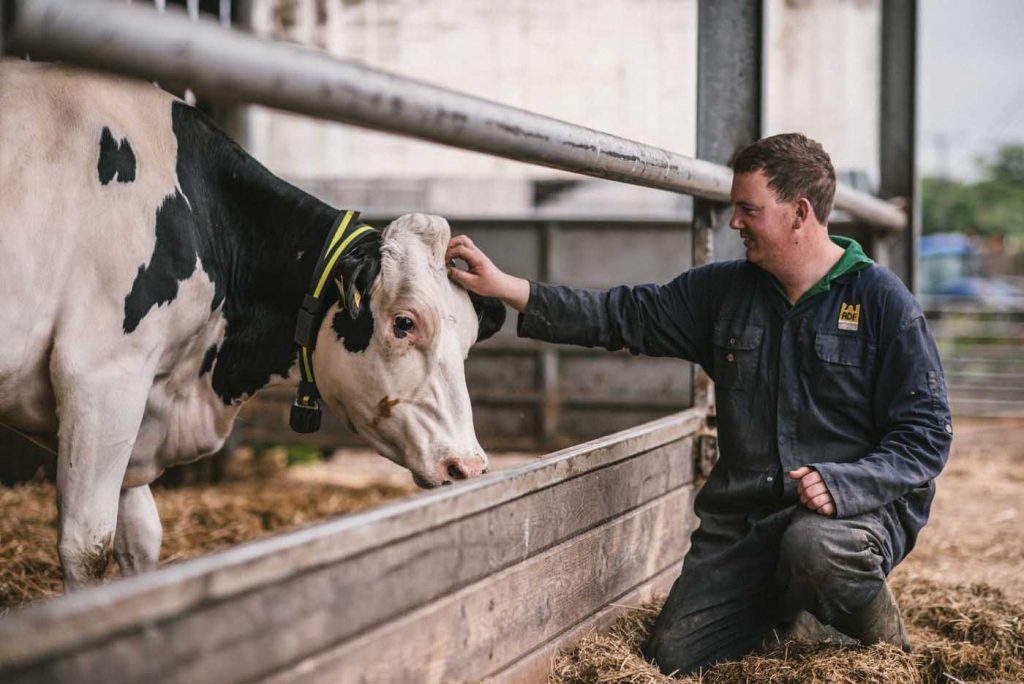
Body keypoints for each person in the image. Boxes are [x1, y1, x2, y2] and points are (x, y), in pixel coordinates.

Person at [446, 133, 953, 675]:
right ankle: (797, 612)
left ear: (800, 213)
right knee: (673, 659)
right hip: (745, 523)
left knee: (817, 547)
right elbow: (624, 315)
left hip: (852, 516)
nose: (734, 222)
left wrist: (844, 484)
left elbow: (926, 435)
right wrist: (510, 288)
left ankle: (891, 655)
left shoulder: (881, 302)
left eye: (747, 209)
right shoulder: (723, 293)